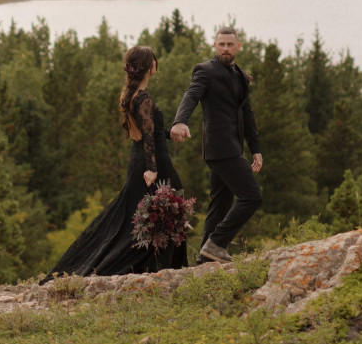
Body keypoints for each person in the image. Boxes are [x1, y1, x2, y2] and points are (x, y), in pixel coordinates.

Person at [40, 45, 186, 279]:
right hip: (151, 161)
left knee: (139, 218)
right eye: (154, 60)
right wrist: (152, 168)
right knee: (156, 213)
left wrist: (170, 134)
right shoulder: (144, 98)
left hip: (140, 158)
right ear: (148, 67)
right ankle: (160, 269)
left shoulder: (132, 96)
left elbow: (151, 131)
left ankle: (158, 267)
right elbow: (147, 137)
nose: (157, 63)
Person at [170, 26, 262, 263]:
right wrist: (180, 121)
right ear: (215, 45)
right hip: (220, 148)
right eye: (221, 44)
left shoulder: (240, 75)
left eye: (230, 45)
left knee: (221, 203)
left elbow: (247, 114)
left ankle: (205, 257)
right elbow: (191, 95)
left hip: (233, 147)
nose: (225, 49)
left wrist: (255, 148)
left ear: (238, 47)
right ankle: (218, 242)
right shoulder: (205, 70)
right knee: (252, 197)